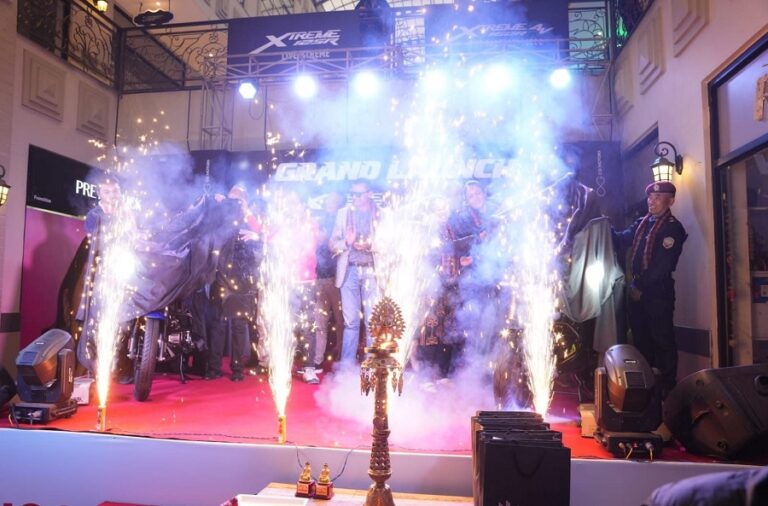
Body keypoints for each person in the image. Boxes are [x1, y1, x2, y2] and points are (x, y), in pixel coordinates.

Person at [614, 181, 687, 396]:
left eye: (657, 197)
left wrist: (640, 287)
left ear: (670, 201)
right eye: (650, 197)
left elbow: (662, 266)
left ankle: (667, 390)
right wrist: (601, 226)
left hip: (657, 293)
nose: (651, 201)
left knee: (662, 340)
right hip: (637, 289)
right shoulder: (642, 223)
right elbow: (621, 240)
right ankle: (647, 389)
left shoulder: (672, 228)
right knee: (641, 340)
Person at [449, 180, 501, 361]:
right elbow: (461, 247)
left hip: (496, 277)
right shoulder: (463, 220)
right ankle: (467, 364)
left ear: (484, 193)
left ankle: (488, 362)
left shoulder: (498, 212)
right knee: (472, 321)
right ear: (467, 200)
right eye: (470, 196)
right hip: (474, 279)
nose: (475, 198)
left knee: (493, 322)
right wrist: (478, 243)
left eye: (477, 193)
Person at [330, 180, 380, 366]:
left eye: (359, 194)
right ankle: (346, 367)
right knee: (350, 322)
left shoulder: (381, 214)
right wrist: (347, 242)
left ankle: (373, 365)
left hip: (373, 271)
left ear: (369, 194)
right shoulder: (343, 214)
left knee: (372, 321)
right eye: (353, 194)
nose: (355, 198)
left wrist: (370, 245)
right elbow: (332, 244)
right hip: (349, 270)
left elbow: (391, 243)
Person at [304, 191, 345, 384]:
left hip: (337, 278)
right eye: (328, 199)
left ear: (339, 203)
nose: (329, 202)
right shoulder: (318, 221)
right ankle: (317, 360)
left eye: (333, 200)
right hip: (318, 277)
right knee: (319, 322)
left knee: (341, 321)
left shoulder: (343, 222)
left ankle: (342, 360)